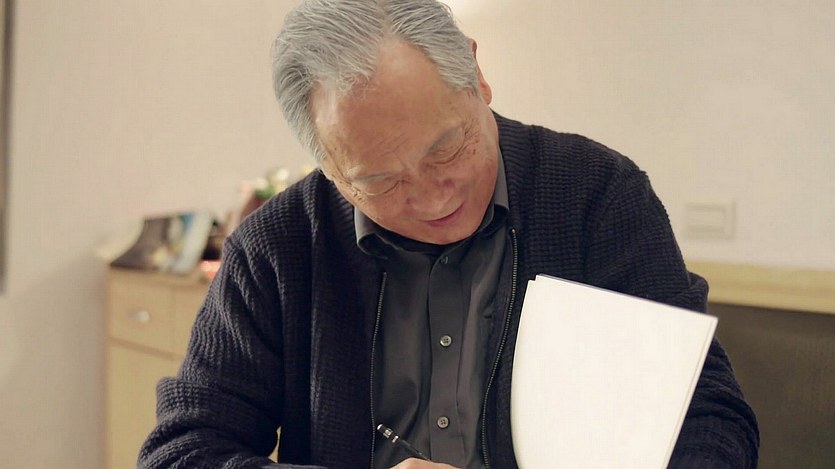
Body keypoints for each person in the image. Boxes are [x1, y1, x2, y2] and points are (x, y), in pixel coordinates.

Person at [139, 1, 759, 468]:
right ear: (327, 167)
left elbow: (708, 421)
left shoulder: (595, 196)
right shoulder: (277, 248)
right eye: (379, 181)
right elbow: (182, 450)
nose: (435, 198)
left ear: (477, 76)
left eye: (447, 147)